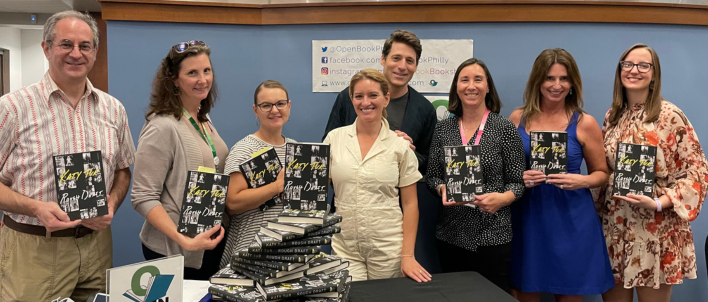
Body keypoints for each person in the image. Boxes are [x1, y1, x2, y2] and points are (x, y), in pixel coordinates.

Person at [0, 11, 135, 301]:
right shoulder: (12, 108)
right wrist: (36, 208)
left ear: (95, 52)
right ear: (46, 48)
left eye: (85, 46)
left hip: (96, 245)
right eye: (66, 44)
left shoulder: (114, 109)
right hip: (33, 249)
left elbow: (123, 170)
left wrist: (112, 202)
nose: (76, 54)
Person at [597, 43, 708, 302]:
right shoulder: (613, 116)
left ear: (654, 73)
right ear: (620, 70)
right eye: (628, 64)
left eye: (643, 65)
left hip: (655, 231)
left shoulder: (670, 116)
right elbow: (603, 168)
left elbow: (697, 172)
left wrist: (659, 202)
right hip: (615, 227)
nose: (634, 70)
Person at [508, 48, 614, 302]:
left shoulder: (584, 122)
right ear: (537, 81)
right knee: (523, 289)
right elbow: (507, 169)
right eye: (549, 78)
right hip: (528, 215)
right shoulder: (517, 117)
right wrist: (519, 177)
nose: (557, 85)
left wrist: (583, 180)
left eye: (563, 79)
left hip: (571, 219)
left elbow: (602, 173)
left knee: (569, 292)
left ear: (572, 83)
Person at [426, 58, 525, 292]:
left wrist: (504, 198)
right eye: (465, 80)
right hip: (451, 234)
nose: (471, 86)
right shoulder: (443, 129)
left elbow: (517, 182)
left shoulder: (504, 128)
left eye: (478, 80)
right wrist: (442, 189)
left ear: (488, 86)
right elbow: (431, 177)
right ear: (456, 87)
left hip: (492, 233)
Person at [131, 40, 228, 280]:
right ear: (174, 79)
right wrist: (182, 237)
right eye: (192, 73)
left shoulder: (203, 119)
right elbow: (143, 196)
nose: (202, 79)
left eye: (206, 71)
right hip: (174, 251)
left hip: (206, 243)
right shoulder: (162, 126)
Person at [323, 69, 431, 283]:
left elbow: (410, 205)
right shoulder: (334, 139)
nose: (366, 102)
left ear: (386, 98)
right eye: (359, 96)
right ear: (351, 99)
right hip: (345, 246)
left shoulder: (400, 146)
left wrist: (407, 255)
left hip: (388, 248)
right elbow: (316, 189)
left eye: (373, 95)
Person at [323, 29, 436, 176]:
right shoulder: (349, 98)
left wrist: (410, 153)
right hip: (348, 193)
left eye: (409, 61)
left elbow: (430, 165)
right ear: (383, 59)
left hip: (395, 196)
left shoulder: (425, 109)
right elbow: (328, 152)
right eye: (396, 58)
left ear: (416, 66)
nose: (402, 66)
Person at [219, 80, 296, 268]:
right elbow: (232, 203)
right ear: (256, 110)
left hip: (288, 251)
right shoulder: (244, 150)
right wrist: (276, 187)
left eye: (280, 104)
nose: (274, 110)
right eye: (266, 105)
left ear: (289, 106)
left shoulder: (297, 150)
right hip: (249, 252)